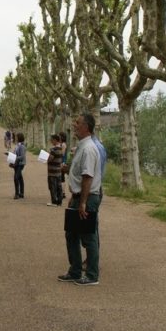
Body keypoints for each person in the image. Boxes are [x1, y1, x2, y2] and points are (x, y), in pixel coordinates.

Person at [58, 114, 102, 285]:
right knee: (71, 234)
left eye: (78, 123)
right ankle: (75, 271)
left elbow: (88, 177)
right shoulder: (81, 147)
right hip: (79, 196)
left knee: (88, 237)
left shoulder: (89, 149)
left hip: (88, 198)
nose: (74, 125)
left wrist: (82, 202)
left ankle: (92, 275)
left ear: (87, 127)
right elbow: (79, 173)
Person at [46, 133, 63, 206]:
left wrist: (46, 157)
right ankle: (59, 201)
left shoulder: (53, 150)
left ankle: (54, 201)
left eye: (52, 140)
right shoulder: (61, 149)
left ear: (55, 140)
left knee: (52, 187)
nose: (51, 141)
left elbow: (50, 159)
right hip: (58, 171)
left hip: (52, 172)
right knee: (59, 186)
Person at [12, 132, 26, 199]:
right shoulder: (17, 145)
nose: (15, 138)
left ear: (19, 138)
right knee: (20, 178)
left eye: (17, 137)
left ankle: (17, 194)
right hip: (16, 163)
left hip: (20, 164)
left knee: (16, 178)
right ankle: (22, 193)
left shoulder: (22, 146)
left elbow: (22, 156)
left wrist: (15, 157)